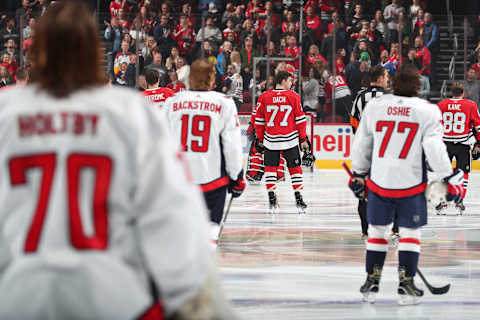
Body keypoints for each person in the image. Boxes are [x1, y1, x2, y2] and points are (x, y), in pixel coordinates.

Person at [0, 2, 237, 319]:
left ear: (36, 52)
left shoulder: (6, 112)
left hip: (18, 297)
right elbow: (172, 218)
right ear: (91, 53)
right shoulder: (128, 111)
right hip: (111, 295)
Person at [349, 63, 463, 305]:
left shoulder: (376, 106)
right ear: (417, 86)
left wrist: (358, 174)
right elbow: (434, 149)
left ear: (393, 83)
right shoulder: (426, 110)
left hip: (380, 183)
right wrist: (448, 178)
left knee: (377, 233)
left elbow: (362, 143)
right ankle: (405, 284)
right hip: (410, 185)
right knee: (410, 234)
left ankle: (372, 281)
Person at [163, 58, 245, 244]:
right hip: (212, 183)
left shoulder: (172, 102)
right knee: (210, 234)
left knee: (179, 235)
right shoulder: (224, 103)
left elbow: (159, 144)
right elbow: (232, 146)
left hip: (178, 182)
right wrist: (237, 177)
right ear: (211, 79)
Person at [254, 71, 309, 213]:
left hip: (270, 140)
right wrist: (303, 138)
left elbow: (258, 122)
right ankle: (298, 198)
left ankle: (272, 197)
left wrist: (260, 138)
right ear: (283, 81)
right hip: (290, 139)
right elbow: (301, 121)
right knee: (295, 169)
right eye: (290, 81)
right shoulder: (293, 97)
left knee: (270, 169)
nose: (291, 84)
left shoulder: (264, 97)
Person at [350, 66, 388, 238]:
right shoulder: (389, 97)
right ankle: (391, 228)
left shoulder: (360, 96)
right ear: (380, 78)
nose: (387, 79)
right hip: (385, 151)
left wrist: (361, 139)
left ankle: (366, 230)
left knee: (363, 190)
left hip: (364, 150)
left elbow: (353, 121)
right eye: (386, 76)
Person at [437, 82, 480, 214]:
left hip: (445, 144)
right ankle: (459, 200)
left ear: (451, 92)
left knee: (444, 172)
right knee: (464, 173)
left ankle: (442, 201)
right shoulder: (471, 105)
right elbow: (478, 127)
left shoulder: (441, 105)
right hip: (463, 144)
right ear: (463, 93)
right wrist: (478, 144)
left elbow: (436, 124)